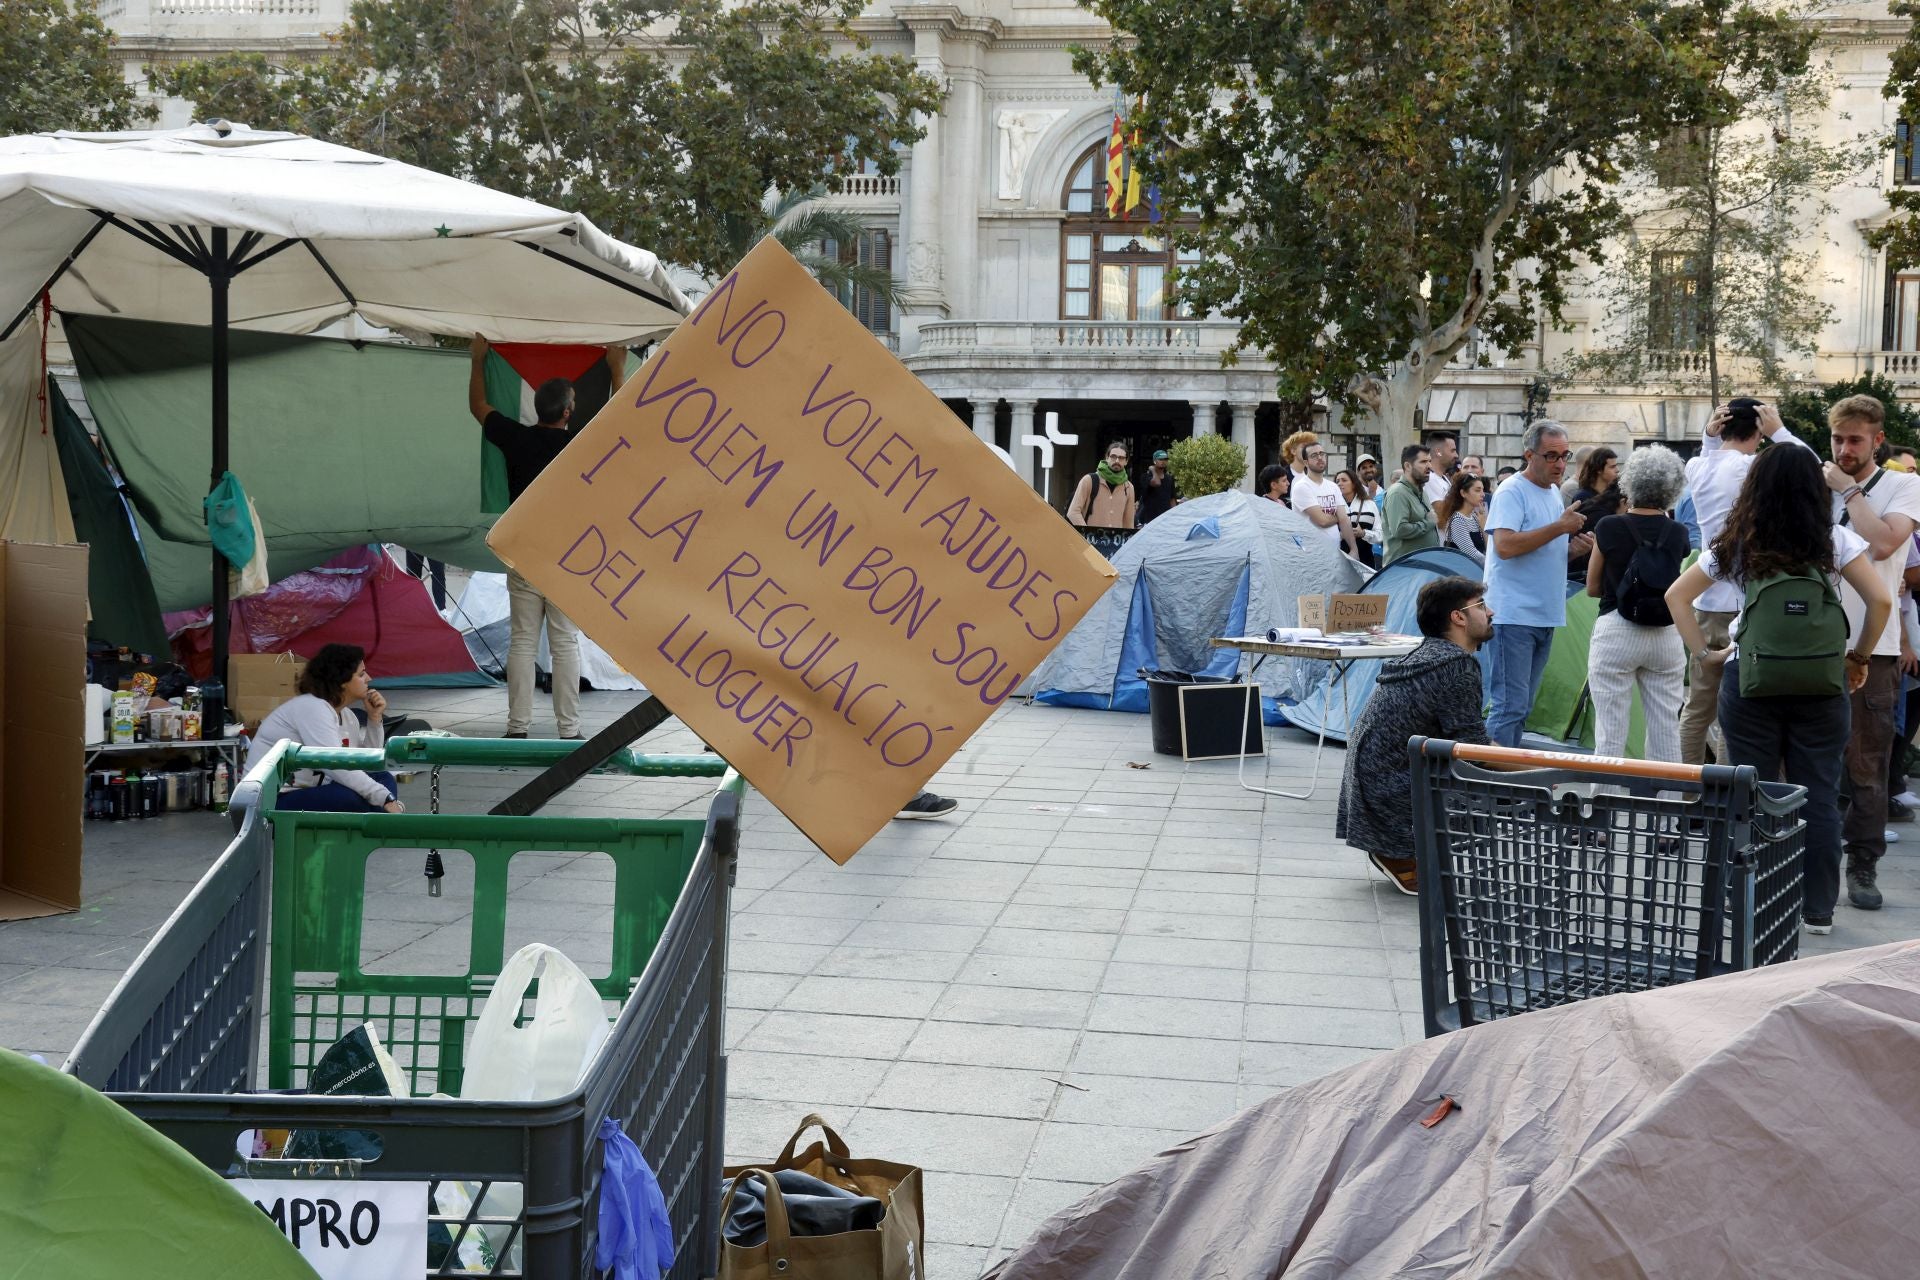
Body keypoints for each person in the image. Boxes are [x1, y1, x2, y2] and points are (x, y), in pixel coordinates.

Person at [1666, 444, 1891, 935]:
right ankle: (1817, 911)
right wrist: (1858, 657)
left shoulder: (1739, 543)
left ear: (1756, 488)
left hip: (1750, 680)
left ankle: (1751, 898)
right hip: (1821, 682)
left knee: (1750, 791)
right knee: (1820, 796)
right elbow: (1880, 601)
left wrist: (1706, 655)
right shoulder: (1834, 540)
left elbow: (1676, 596)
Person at [470, 335, 619, 740]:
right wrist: (617, 367)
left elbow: (478, 408)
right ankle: (569, 731)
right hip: (566, 554)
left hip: (523, 553)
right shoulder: (580, 446)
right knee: (564, 641)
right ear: (569, 411)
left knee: (521, 642)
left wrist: (479, 360)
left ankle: (516, 727)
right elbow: (623, 420)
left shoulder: (515, 437)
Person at [1822, 394, 1920, 911]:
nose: (1844, 449)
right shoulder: (1820, 484)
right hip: (1812, 645)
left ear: (1878, 440)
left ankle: (1863, 865)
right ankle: (1810, 865)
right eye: (1838, 439)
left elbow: (1882, 544)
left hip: (1872, 649)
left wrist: (1850, 490)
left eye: (1855, 440)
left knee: (1866, 765)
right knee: (1808, 765)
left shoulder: (1904, 484)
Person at [1336, 576, 1495, 895]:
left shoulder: (1425, 654)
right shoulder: (1456, 666)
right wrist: (1540, 770)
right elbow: (1474, 751)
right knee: (1499, 786)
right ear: (1458, 617)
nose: (1490, 612)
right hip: (1392, 793)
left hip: (1370, 787)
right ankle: (1402, 853)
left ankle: (1401, 850)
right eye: (1481, 605)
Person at [1676, 399, 1813, 765]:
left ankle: (1687, 797)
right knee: (1733, 713)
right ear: (1757, 429)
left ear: (1723, 427)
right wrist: (1780, 431)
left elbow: (1710, 458)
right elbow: (1809, 470)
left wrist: (1708, 434)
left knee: (1698, 709)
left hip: (1704, 599)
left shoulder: (1697, 466)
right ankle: (1723, 804)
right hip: (1747, 603)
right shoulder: (1752, 468)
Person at [1483, 420, 1591, 748]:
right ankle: (1490, 782)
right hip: (1512, 614)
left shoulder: (1553, 493)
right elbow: (1505, 545)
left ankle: (1503, 779)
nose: (1560, 464)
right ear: (1529, 455)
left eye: (1565, 455)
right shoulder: (1512, 491)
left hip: (1543, 614)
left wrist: (1573, 550)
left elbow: (1540, 552)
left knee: (1522, 707)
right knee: (1509, 705)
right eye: (1551, 456)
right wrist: (1560, 529)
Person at [1585, 445, 1690, 762]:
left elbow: (1592, 587)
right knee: (1665, 731)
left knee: (1610, 733)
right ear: (1673, 488)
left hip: (1616, 628)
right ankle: (1668, 810)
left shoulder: (1608, 527)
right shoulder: (1678, 533)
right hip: (1665, 634)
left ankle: (1605, 807)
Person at [245, 643, 403, 813]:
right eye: (361, 674)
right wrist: (385, 798)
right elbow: (336, 765)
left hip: (311, 792)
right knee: (350, 797)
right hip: (269, 801)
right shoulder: (312, 707)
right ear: (342, 680)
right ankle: (385, 820)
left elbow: (366, 765)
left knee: (382, 777)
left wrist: (374, 718)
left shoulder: (348, 716)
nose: (369, 678)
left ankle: (381, 820)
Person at [1290, 440, 1360, 555]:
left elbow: (1345, 520)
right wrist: (1339, 517)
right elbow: (1322, 521)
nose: (1320, 457)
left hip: (1334, 552)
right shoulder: (1301, 487)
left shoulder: (1333, 487)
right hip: (1311, 553)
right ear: (1306, 462)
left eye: (1322, 454)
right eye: (1314, 455)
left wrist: (1354, 549)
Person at [1566, 447, 1623, 583]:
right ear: (1599, 469)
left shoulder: (1611, 494)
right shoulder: (1584, 497)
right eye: (1612, 467)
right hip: (1584, 568)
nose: (1617, 470)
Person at [1381, 444, 1439, 562]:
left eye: (1429, 461)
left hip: (1422, 566)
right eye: (1423, 462)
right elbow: (1400, 530)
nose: (1429, 466)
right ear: (1407, 466)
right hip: (1405, 569)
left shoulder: (1421, 491)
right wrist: (1428, 523)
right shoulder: (1398, 493)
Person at [1069, 440, 1137, 529]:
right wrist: (1087, 534)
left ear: (1126, 461)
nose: (1117, 460)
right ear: (1107, 457)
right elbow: (1073, 512)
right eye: (1113, 456)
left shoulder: (1128, 487)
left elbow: (1128, 522)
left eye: (1121, 458)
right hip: (1090, 541)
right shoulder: (1089, 480)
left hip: (1115, 541)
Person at [1435, 471, 1488, 565]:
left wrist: (1483, 527)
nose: (1483, 494)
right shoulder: (1458, 520)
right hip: (1463, 574)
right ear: (1463, 493)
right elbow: (1472, 554)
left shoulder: (1475, 517)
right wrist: (1492, 565)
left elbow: (1487, 548)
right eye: (1477, 490)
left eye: (1482, 490)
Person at [1337, 468, 1380, 567]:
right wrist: (1340, 535)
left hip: (1366, 561)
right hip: (1339, 562)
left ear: (1354, 483)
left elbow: (1381, 534)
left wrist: (1364, 533)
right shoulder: (1333, 506)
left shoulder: (1369, 504)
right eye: (1337, 481)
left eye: (1344, 480)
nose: (1339, 483)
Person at [1137, 448, 1178, 524]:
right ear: (1154, 461)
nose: (1163, 461)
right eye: (1160, 459)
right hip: (1149, 519)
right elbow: (1156, 483)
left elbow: (1172, 499)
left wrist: (1174, 516)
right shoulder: (1146, 476)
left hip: (1165, 519)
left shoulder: (1169, 478)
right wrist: (1153, 470)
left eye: (1165, 459)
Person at [1422, 430, 1459, 509]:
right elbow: (1441, 515)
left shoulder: (1444, 478)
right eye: (1452, 450)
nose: (1456, 455)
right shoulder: (1429, 479)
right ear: (1438, 452)